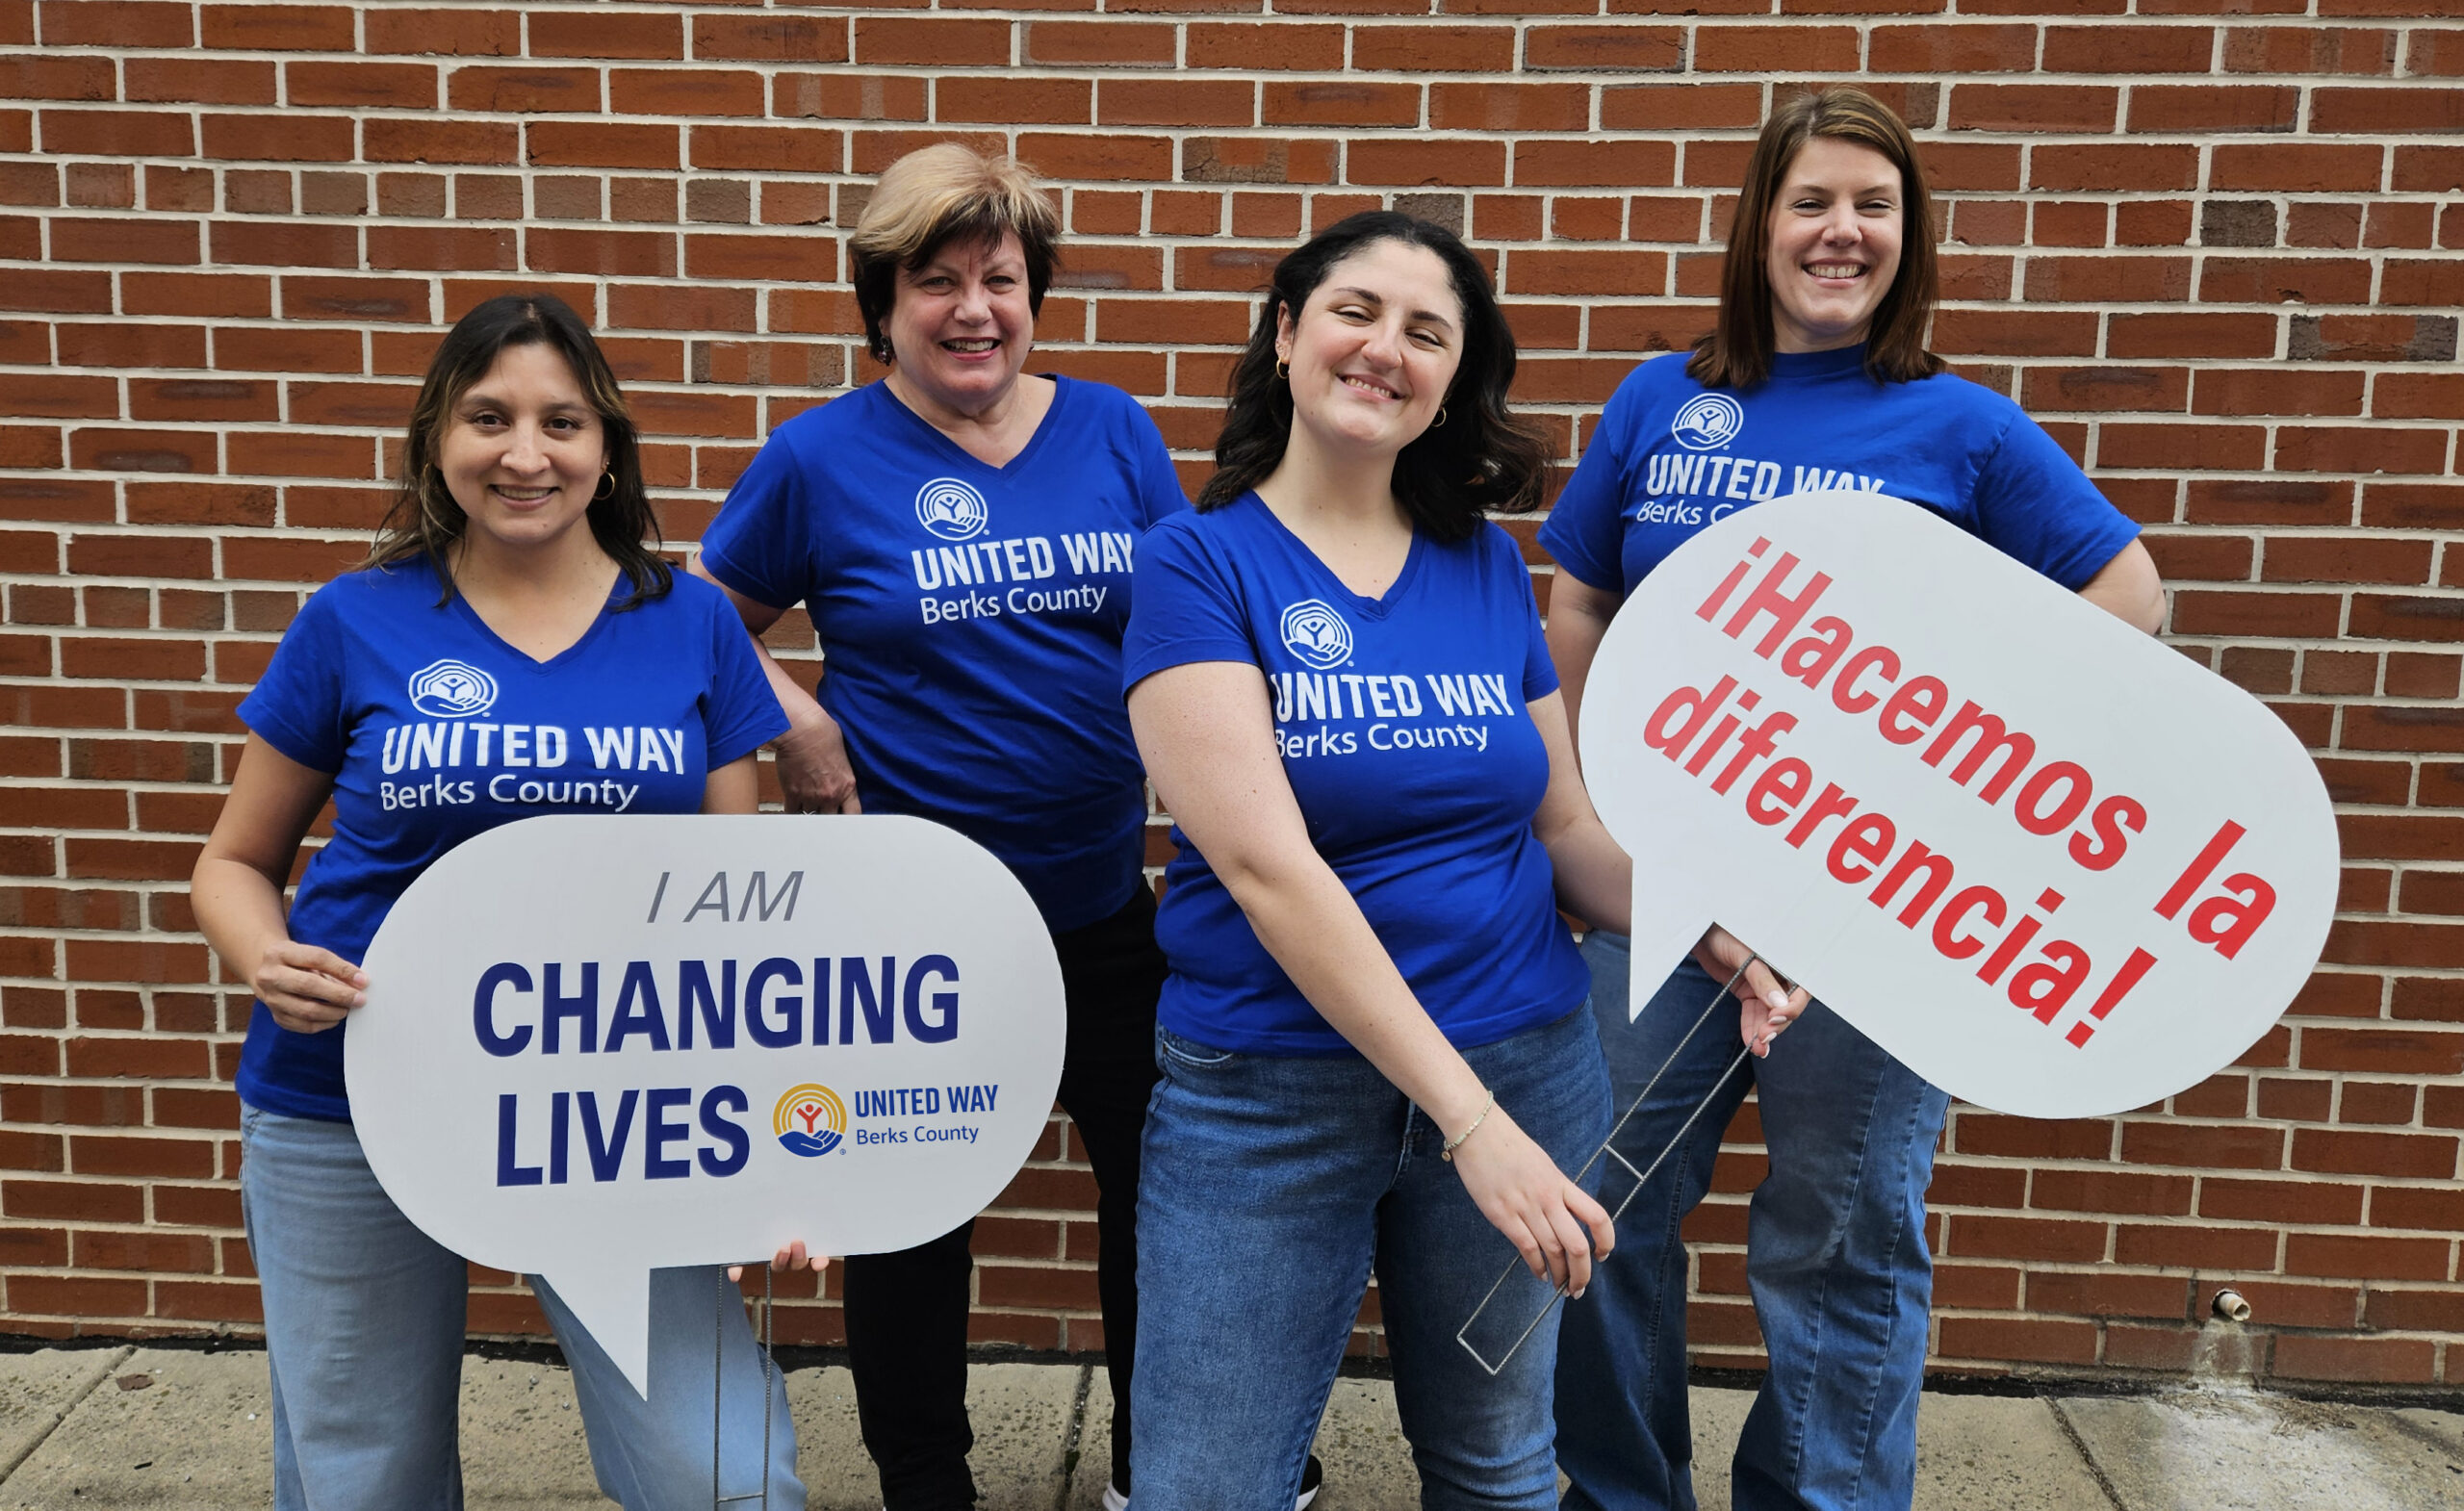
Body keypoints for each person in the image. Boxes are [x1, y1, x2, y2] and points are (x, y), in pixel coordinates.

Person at [1118, 212, 1801, 1511]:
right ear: (1286, 334)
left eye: (1428, 333)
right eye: (1357, 311)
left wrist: (1705, 928)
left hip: (1526, 1059)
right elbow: (1270, 872)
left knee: (1497, 1468)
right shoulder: (1195, 565)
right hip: (1270, 1094)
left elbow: (1564, 830)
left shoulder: (1486, 567)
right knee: (1207, 1487)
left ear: (1450, 387)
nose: (1386, 348)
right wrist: (1464, 1119)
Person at [1543, 87, 2166, 1511]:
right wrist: (1592, 803)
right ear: (1762, 225)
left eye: (1872, 206)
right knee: (1601, 1200)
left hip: (1871, 909)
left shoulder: (1963, 424)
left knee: (1841, 1238)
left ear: (1909, 235)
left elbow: (2127, 596)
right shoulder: (1665, 396)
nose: (1842, 231)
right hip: (1666, 884)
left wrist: (1954, 775)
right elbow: (1579, 594)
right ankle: (1620, 1494)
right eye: (1812, 201)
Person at [191, 293, 816, 1510]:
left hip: (623, 1105)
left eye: (561, 421)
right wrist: (265, 957)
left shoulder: (688, 622)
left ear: (606, 448)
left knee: (721, 1475)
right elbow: (232, 862)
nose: (525, 454)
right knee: (361, 1472)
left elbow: (735, 911)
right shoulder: (352, 617)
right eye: (489, 417)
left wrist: (780, 1155)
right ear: (438, 437)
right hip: (352, 1090)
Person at [689, 144, 1198, 1511]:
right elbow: (693, 628)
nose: (974, 309)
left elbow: (1189, 619)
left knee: (1163, 1203)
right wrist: (796, 719)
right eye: (937, 282)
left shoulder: (1114, 430)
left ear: (1034, 295)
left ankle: (1165, 1464)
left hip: (1105, 905)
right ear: (884, 302)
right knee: (912, 1214)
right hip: (914, 923)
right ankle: (926, 1482)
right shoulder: (817, 458)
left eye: (1001, 279)